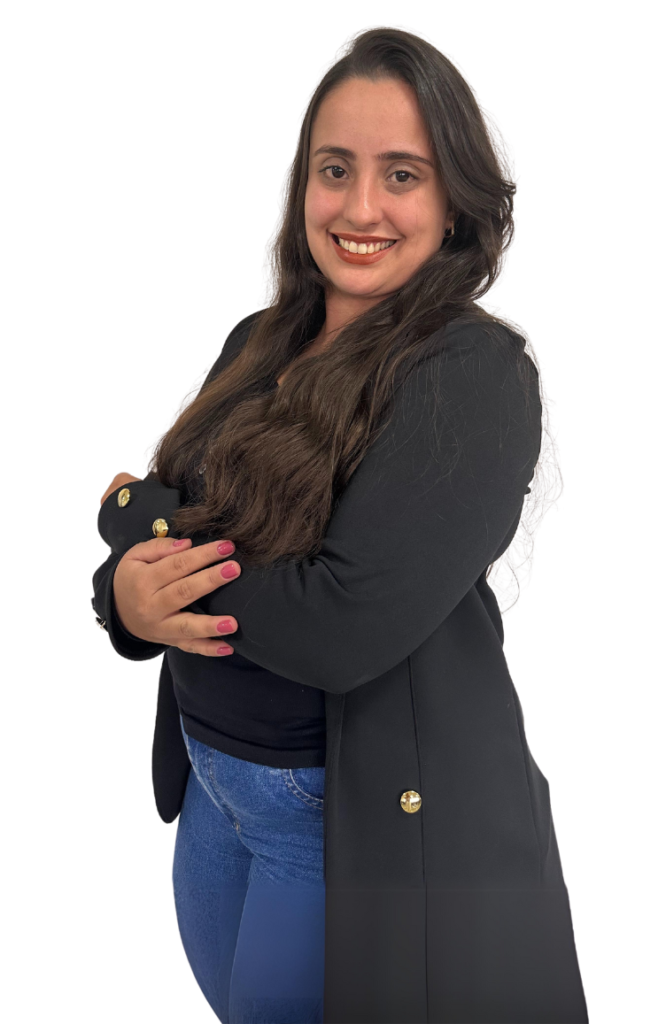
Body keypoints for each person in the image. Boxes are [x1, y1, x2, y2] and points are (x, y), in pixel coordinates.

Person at [95, 25, 581, 1024]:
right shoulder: (261, 338)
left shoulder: (471, 371)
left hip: (328, 821)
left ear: (454, 200)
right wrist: (123, 602)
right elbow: (154, 531)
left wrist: (141, 523)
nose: (360, 208)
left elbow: (338, 625)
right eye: (335, 169)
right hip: (213, 792)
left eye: (402, 173)